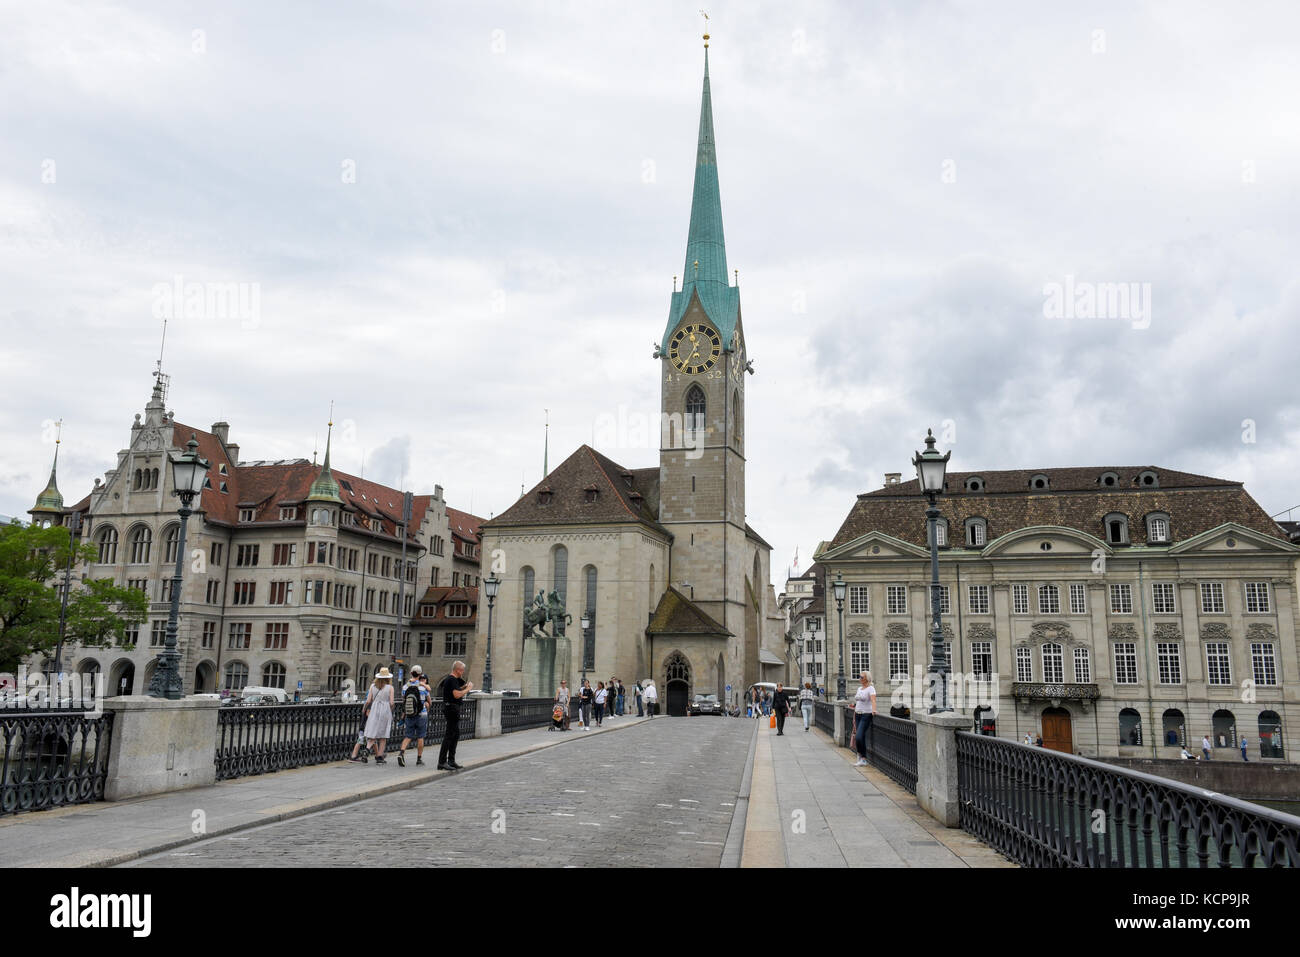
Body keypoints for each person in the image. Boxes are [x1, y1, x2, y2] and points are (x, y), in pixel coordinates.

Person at [437, 660, 472, 771]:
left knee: (455, 734)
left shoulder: (452, 680)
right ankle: (442, 762)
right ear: (458, 670)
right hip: (451, 709)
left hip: (452, 708)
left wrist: (463, 687)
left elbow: (455, 691)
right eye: (462, 670)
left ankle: (451, 760)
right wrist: (468, 689)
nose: (463, 672)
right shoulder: (451, 679)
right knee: (449, 735)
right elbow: (456, 695)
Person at [396, 665, 430, 766]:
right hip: (422, 714)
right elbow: (428, 699)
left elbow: (404, 700)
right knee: (420, 737)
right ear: (420, 675)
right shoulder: (422, 686)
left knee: (408, 736)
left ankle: (401, 753)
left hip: (410, 713)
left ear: (411, 673)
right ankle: (419, 759)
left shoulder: (405, 686)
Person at [361, 668, 395, 764]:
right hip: (385, 710)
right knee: (383, 735)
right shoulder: (390, 687)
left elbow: (368, 701)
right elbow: (391, 702)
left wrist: (364, 709)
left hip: (374, 709)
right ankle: (379, 757)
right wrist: (391, 709)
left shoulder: (372, 686)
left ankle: (367, 749)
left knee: (373, 731)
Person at [852, 671, 876, 766]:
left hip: (866, 715)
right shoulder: (859, 688)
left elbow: (873, 700)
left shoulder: (871, 688)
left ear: (866, 678)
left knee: (858, 736)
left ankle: (863, 757)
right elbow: (858, 699)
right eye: (859, 677)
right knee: (860, 736)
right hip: (858, 714)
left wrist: (874, 710)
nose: (859, 678)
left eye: (861, 677)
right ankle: (861, 757)